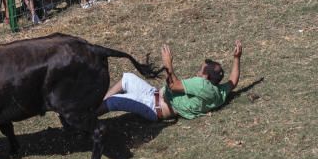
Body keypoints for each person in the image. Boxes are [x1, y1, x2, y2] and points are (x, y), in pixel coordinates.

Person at [100, 41, 243, 122]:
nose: (198, 72)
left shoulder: (202, 85)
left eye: (201, 70)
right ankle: (96, 106)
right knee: (128, 78)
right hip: (154, 94)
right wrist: (237, 58)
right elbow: (233, 81)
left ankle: (84, 118)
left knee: (114, 101)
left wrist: (168, 64)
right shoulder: (219, 92)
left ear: (206, 77)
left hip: (152, 107)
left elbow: (173, 86)